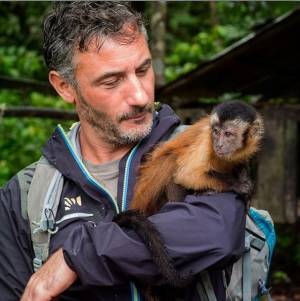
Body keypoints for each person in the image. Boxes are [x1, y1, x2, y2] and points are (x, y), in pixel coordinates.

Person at [0, 2, 246, 301]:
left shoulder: (204, 146)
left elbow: (217, 231)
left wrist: (77, 256)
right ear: (65, 87)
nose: (140, 96)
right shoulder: (25, 196)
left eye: (143, 70)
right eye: (112, 81)